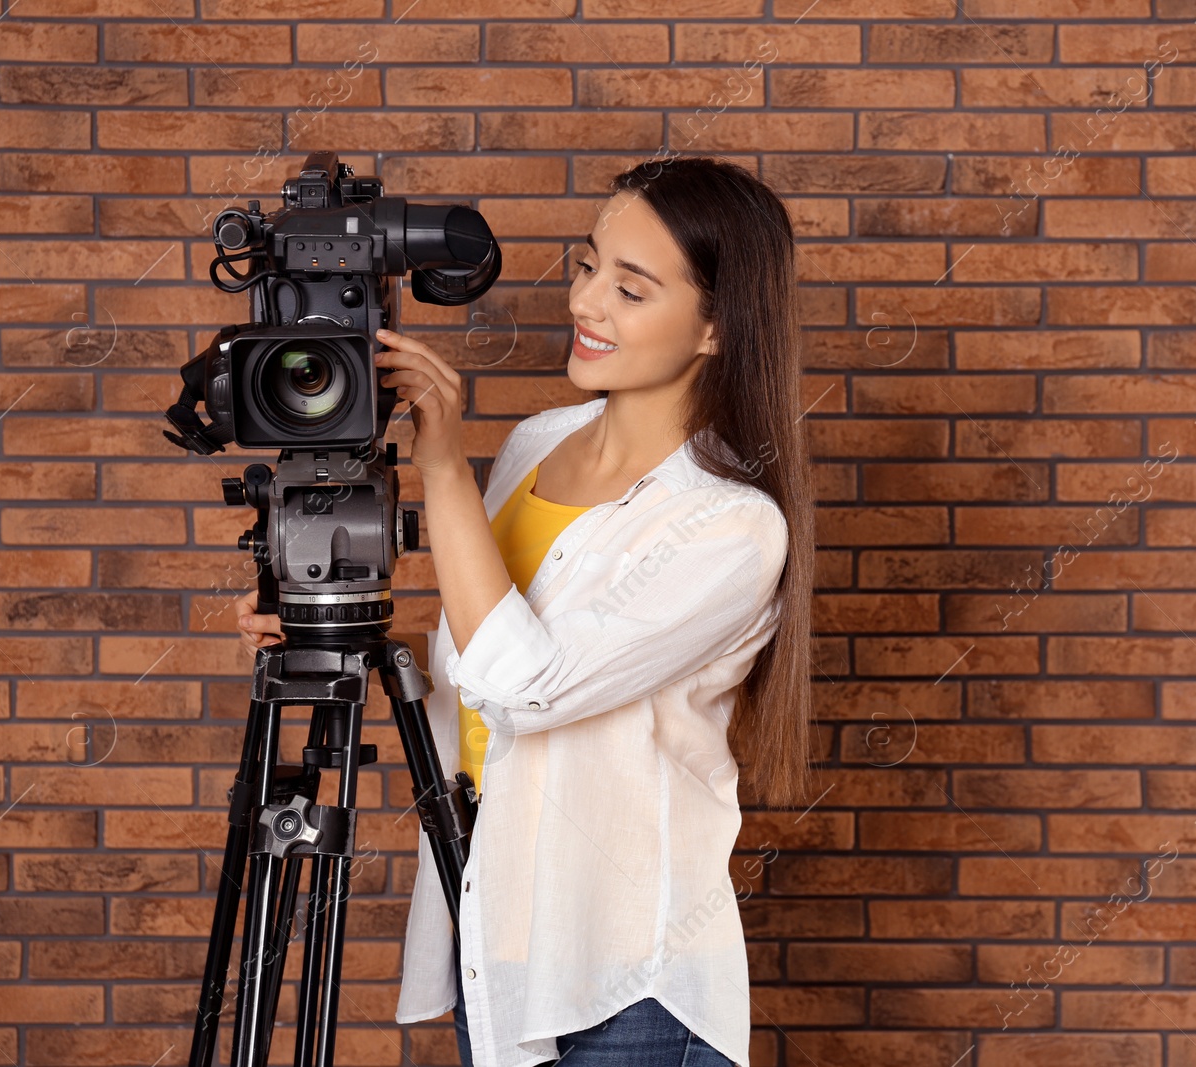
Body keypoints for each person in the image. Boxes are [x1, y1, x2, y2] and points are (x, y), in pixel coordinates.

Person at [235, 156, 813, 1067]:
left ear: (715, 328)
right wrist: (333, 634)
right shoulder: (538, 445)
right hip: (495, 942)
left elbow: (528, 694)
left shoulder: (732, 527)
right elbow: (477, 678)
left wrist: (441, 462)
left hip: (628, 981)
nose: (586, 303)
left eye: (630, 288)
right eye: (587, 267)